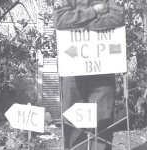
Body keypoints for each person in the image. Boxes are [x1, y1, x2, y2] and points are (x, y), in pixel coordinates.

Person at [53, 0, 125, 150]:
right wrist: (94, 11)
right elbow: (60, 20)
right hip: (73, 69)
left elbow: (117, 18)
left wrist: (81, 24)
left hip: (103, 69)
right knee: (73, 120)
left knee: (103, 120)